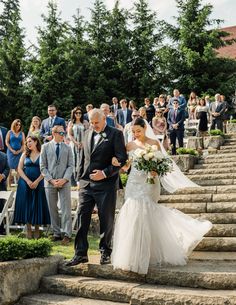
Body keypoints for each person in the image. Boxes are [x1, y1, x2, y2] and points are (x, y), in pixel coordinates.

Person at [111, 117, 212, 275]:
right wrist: (118, 165)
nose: (136, 134)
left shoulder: (154, 144)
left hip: (150, 183)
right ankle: (132, 254)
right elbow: (126, 166)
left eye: (138, 130)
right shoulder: (129, 145)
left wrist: (154, 171)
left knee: (146, 213)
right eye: (133, 132)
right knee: (132, 214)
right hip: (133, 183)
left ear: (145, 128)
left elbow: (161, 165)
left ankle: (146, 254)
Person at [65, 109, 127, 267]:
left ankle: (105, 251)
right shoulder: (86, 133)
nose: (94, 125)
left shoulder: (115, 134)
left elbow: (121, 159)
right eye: (91, 123)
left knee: (106, 218)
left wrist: (105, 173)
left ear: (104, 118)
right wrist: (80, 178)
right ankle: (80, 253)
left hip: (106, 184)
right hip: (86, 184)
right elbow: (83, 157)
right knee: (81, 216)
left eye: (96, 122)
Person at [40, 125, 73, 245]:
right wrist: (51, 180)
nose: (63, 135)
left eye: (64, 133)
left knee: (66, 209)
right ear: (54, 133)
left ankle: (67, 234)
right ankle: (56, 233)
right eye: (61, 133)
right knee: (52, 208)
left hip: (65, 182)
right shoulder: (45, 147)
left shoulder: (68, 147)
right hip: (50, 183)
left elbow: (71, 165)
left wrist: (64, 179)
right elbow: (43, 167)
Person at [13, 136, 50, 239]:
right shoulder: (25, 154)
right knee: (27, 206)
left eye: (30, 141)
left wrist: (37, 181)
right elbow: (19, 169)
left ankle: (37, 231)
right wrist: (28, 181)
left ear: (35, 142)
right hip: (25, 183)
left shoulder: (42, 154)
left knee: (37, 205)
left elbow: (45, 170)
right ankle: (28, 231)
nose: (28, 144)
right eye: (27, 142)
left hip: (39, 183)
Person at [68, 106, 89, 184]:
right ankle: (74, 180)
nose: (78, 114)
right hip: (74, 144)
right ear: (74, 114)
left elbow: (88, 133)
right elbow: (69, 135)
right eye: (77, 113)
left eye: (80, 113)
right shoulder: (71, 122)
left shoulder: (85, 122)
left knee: (83, 160)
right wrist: (76, 142)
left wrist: (83, 142)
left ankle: (82, 179)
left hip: (84, 144)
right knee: (74, 160)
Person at [5, 119, 25, 187]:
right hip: (10, 153)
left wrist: (19, 151)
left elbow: (23, 144)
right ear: (14, 125)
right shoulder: (9, 132)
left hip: (19, 153)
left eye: (19, 125)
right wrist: (12, 150)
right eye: (17, 124)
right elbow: (7, 142)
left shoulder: (22, 133)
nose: (18, 126)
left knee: (19, 168)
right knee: (10, 168)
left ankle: (20, 185)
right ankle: (9, 185)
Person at [0, 151, 10, 235]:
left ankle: (1, 228)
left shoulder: (4, 155)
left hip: (1, 185)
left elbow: (7, 168)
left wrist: (2, 175)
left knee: (1, 206)